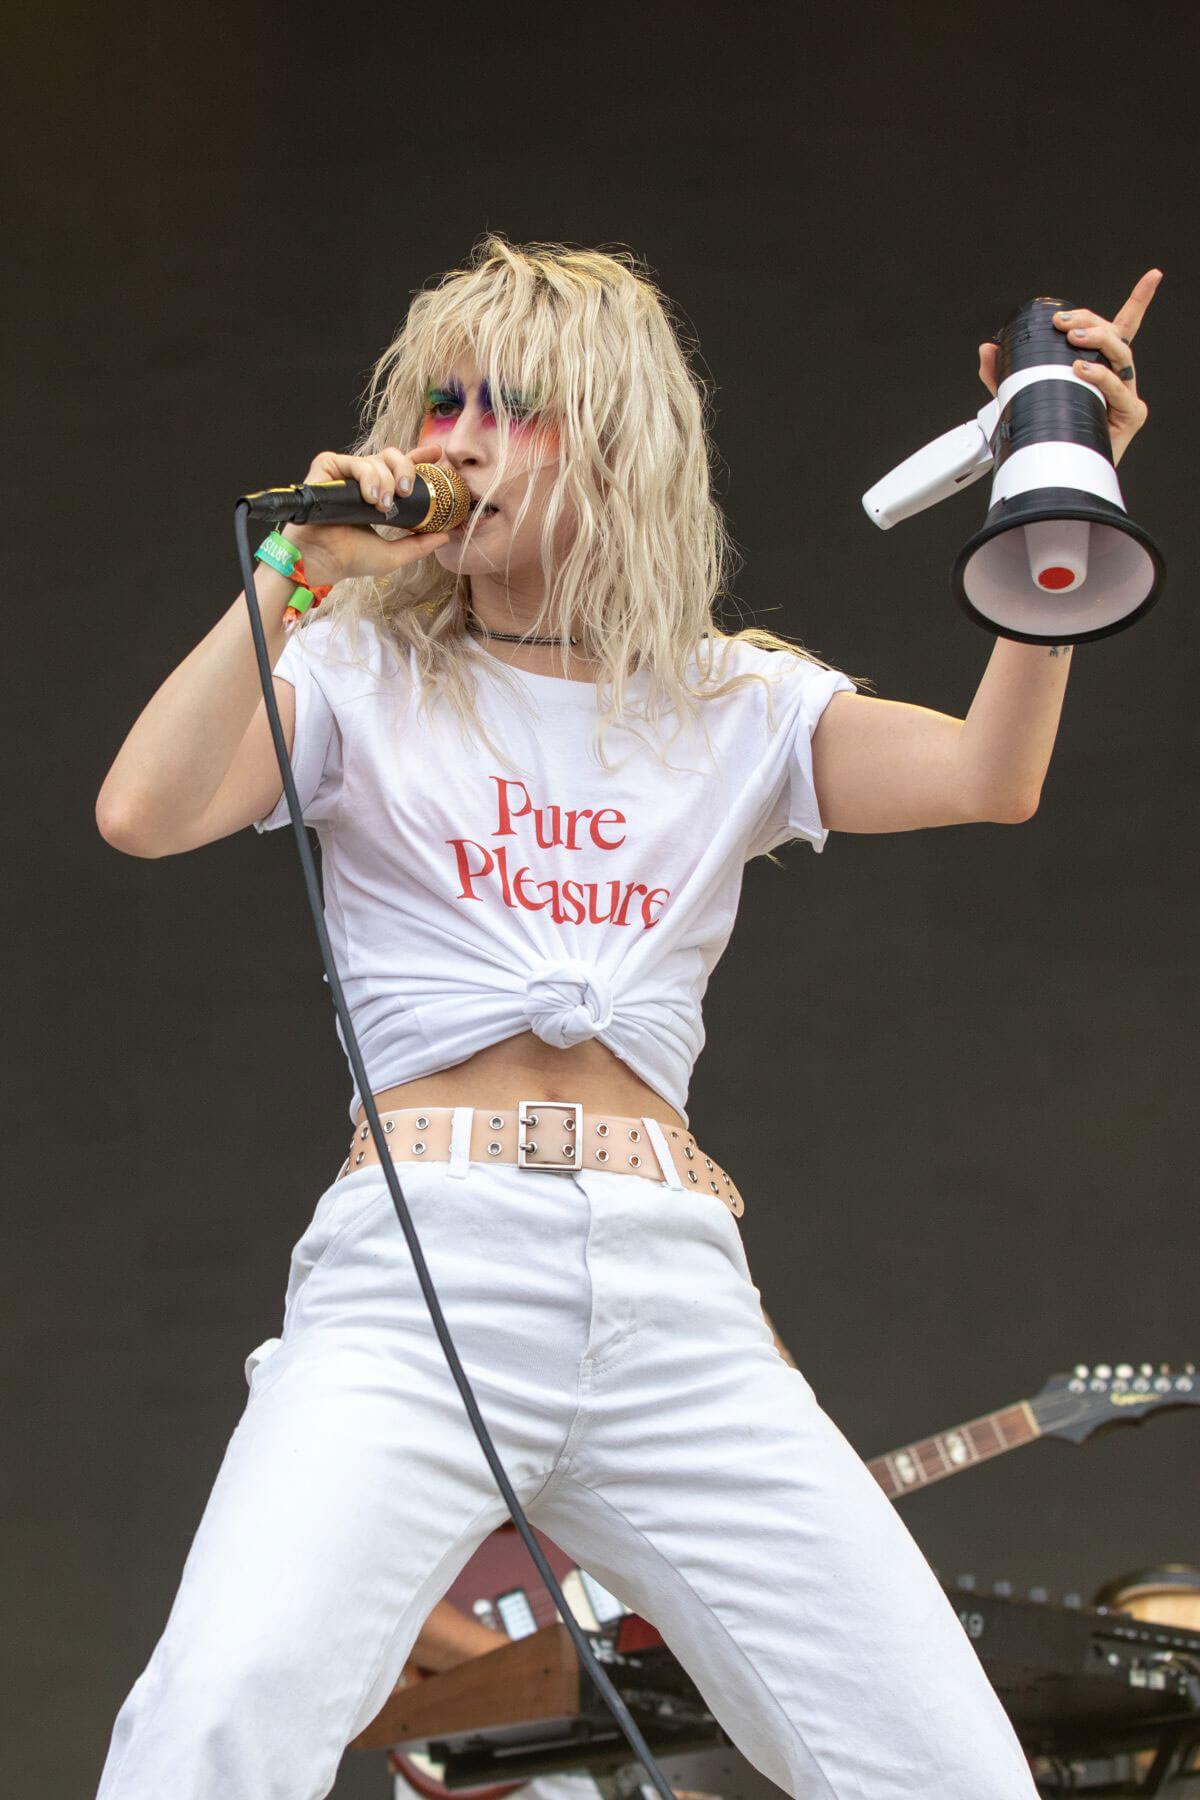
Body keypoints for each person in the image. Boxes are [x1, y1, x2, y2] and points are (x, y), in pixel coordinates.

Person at [92, 237, 1159, 1800]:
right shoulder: (349, 671)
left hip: (675, 1297)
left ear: (618, 449)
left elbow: (992, 779)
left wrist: (1051, 491)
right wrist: (301, 574)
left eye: (510, 408)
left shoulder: (735, 702)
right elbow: (144, 809)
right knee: (217, 1716)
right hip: (421, 1276)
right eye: (439, 401)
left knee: (945, 1769)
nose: (454, 440)